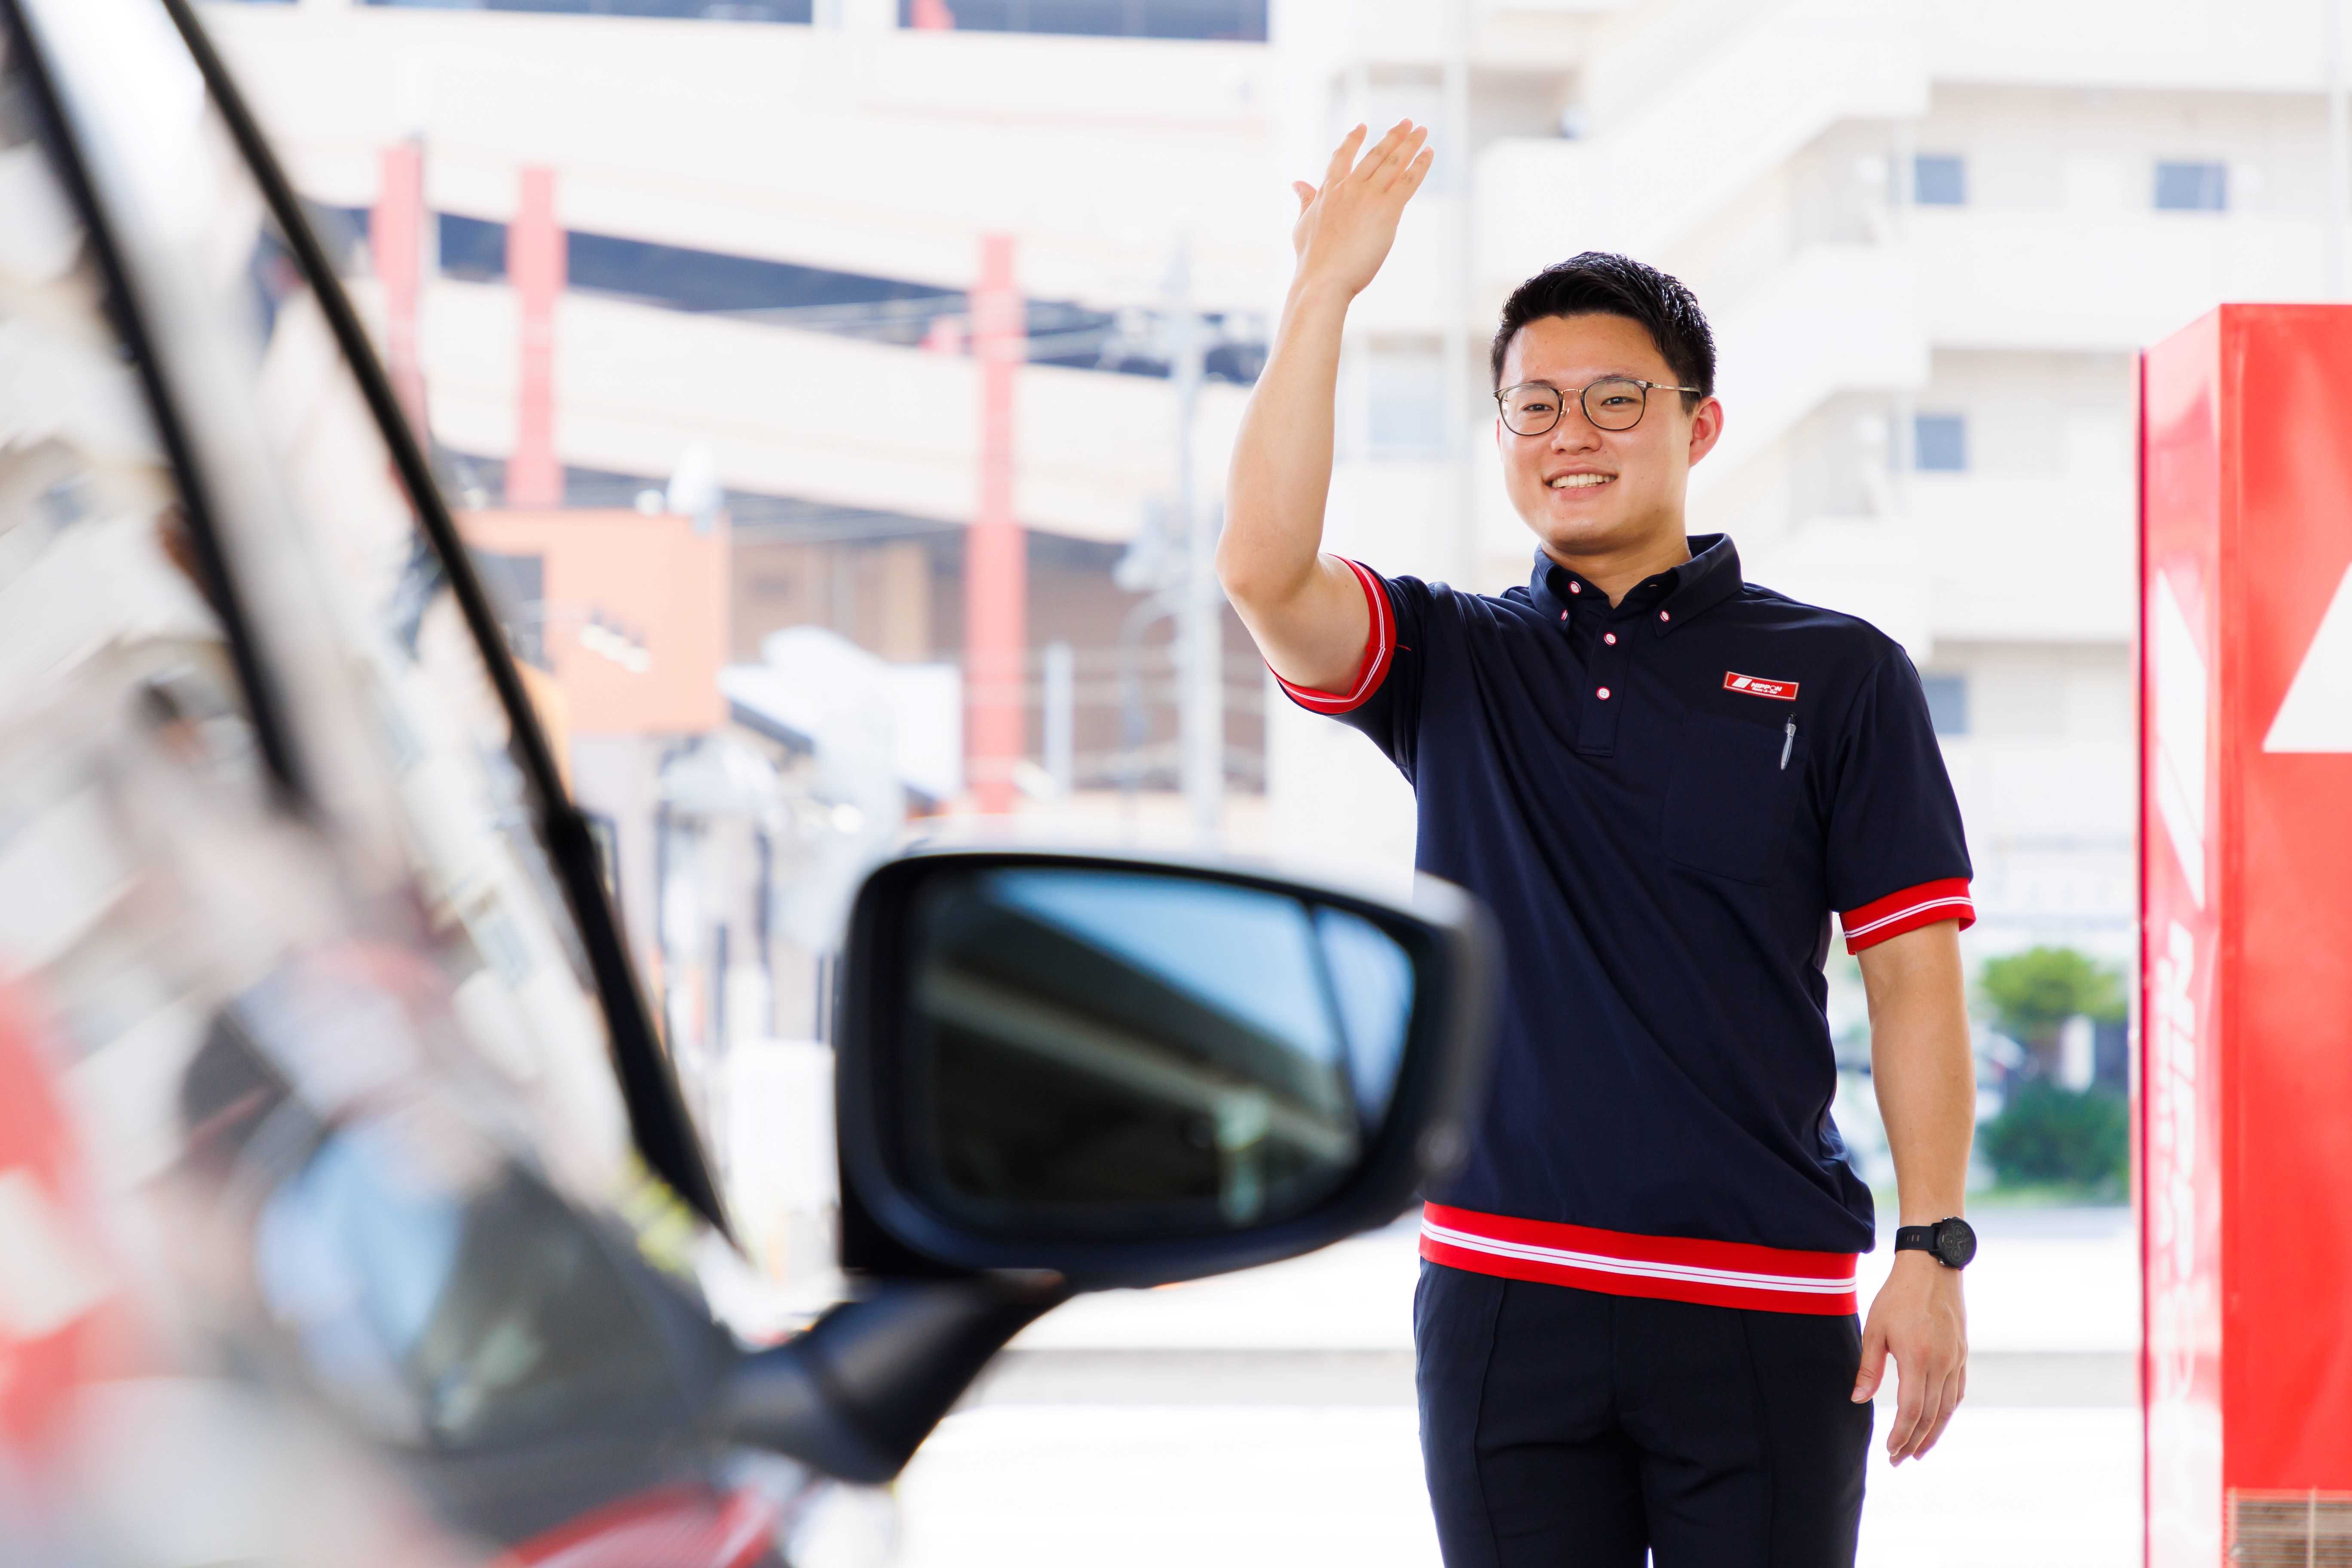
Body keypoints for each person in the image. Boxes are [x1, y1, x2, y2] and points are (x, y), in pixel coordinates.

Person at [1218, 121, 1979, 1567]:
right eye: (1535, 407)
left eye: (1615, 400)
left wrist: (1934, 1252)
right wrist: (1321, 293)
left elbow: (1913, 978)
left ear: (1699, 425)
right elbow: (1260, 569)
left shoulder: (1841, 675)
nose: (1572, 435)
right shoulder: (1450, 658)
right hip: (1506, 1296)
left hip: (1760, 1302)